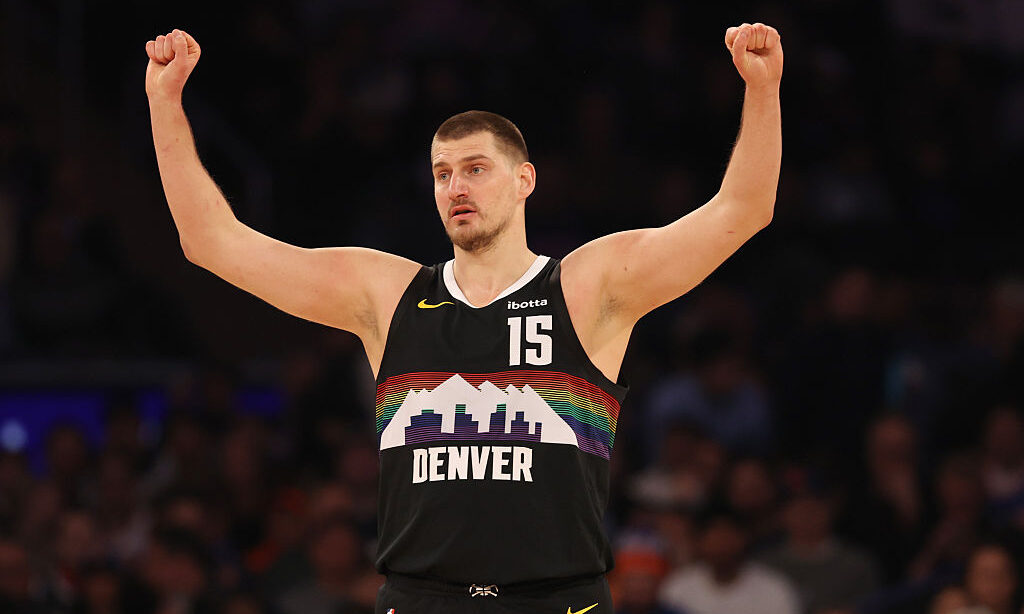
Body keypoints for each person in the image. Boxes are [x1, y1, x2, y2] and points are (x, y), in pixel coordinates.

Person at [144, 20, 782, 614]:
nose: (457, 188)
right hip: (419, 597)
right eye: (443, 174)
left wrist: (762, 89)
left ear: (525, 180)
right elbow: (212, 243)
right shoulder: (386, 294)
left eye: (476, 169)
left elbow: (742, 210)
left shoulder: (589, 286)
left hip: (557, 598)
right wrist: (164, 102)